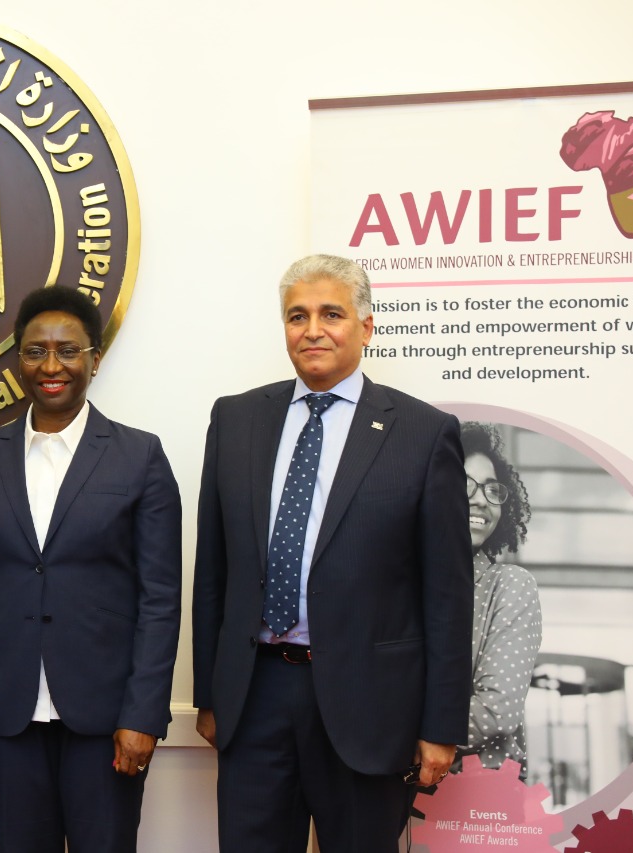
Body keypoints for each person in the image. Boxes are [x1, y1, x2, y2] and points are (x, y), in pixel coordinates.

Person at [191, 254, 473, 853]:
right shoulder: (235, 418)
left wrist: (441, 724)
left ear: (365, 327)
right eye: (297, 316)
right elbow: (212, 571)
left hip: (370, 705)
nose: (312, 330)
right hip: (255, 694)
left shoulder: (423, 433)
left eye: (331, 314)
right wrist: (210, 698)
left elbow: (447, 595)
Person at [0, 286, 182, 853]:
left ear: (95, 359)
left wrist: (144, 715)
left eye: (68, 351)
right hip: (7, 720)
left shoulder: (140, 456)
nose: (52, 366)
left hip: (108, 722)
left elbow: (160, 600)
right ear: (17, 360)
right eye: (36, 351)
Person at [458, 421, 541, 778]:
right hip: (387, 794)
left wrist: (390, 740)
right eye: (465, 484)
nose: (481, 499)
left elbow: (496, 712)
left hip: (477, 798)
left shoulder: (509, 585)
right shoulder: (397, 586)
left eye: (492, 489)